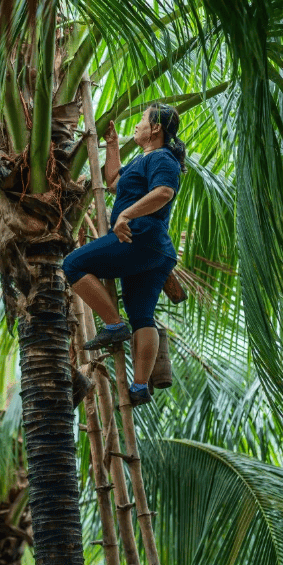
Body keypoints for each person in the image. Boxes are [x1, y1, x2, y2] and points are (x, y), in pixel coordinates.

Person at [62, 103, 186, 407]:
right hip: (152, 249)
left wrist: (126, 216)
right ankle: (140, 386)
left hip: (140, 237)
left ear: (155, 129)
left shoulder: (162, 159)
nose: (137, 125)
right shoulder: (142, 160)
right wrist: (113, 143)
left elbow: (164, 193)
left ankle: (115, 325)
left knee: (73, 264)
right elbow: (114, 181)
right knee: (142, 314)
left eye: (142, 120)